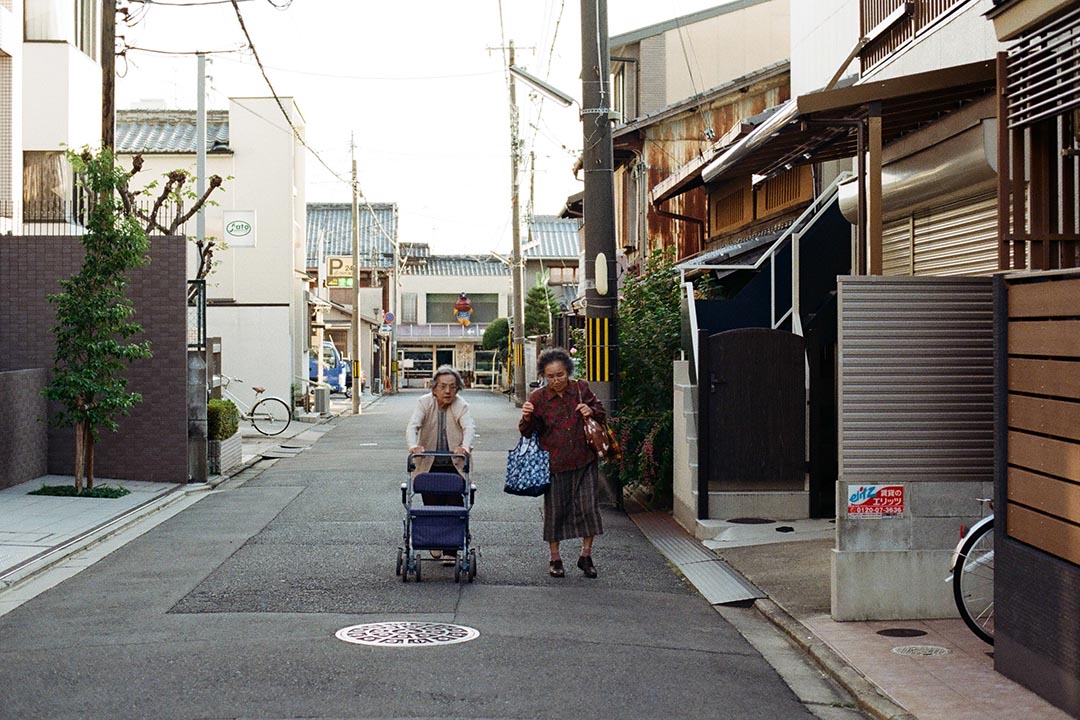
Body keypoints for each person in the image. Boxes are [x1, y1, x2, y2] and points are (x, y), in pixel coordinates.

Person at [519, 347, 605, 579]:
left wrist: (591, 410)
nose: (556, 380)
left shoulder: (581, 389)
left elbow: (601, 412)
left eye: (560, 375)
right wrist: (527, 417)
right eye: (550, 376)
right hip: (554, 464)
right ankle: (555, 558)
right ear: (543, 376)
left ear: (568, 372)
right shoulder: (538, 398)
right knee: (555, 512)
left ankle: (585, 556)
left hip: (584, 459)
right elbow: (528, 432)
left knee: (588, 509)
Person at [406, 365, 476, 564]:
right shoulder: (424, 403)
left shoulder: (461, 405)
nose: (448, 391)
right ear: (434, 388)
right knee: (433, 506)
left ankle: (451, 550)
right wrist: (413, 446)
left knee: (454, 506)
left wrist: (464, 447)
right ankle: (434, 540)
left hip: (454, 464)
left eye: (452, 387)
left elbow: (469, 427)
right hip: (429, 463)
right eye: (443, 387)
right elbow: (413, 425)